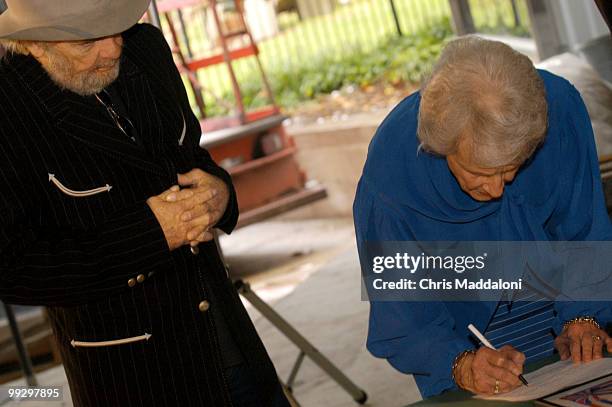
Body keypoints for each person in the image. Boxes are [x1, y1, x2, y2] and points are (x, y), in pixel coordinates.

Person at [0, 0, 290, 406]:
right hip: (136, 377)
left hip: (232, 348)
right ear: (32, 44)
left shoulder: (147, 47)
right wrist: (150, 235)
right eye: (86, 41)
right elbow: (11, 266)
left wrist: (220, 193)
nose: (113, 49)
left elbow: (191, 156)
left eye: (117, 27)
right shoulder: (7, 105)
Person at [353, 36, 612, 398]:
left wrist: (584, 315)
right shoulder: (392, 177)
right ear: (440, 147)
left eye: (511, 171)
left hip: (559, 300)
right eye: (479, 173)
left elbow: (584, 230)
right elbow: (403, 313)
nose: (495, 191)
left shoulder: (561, 110)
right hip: (462, 334)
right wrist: (459, 363)